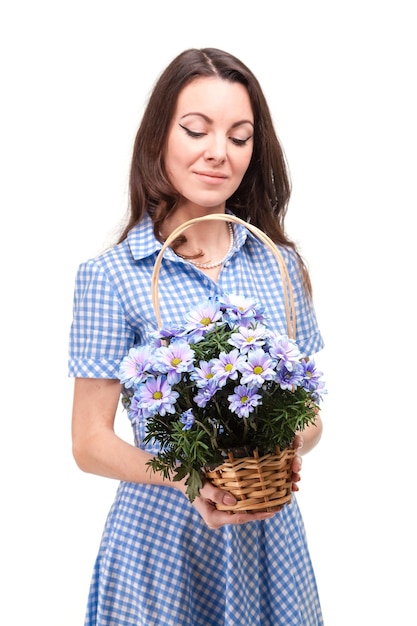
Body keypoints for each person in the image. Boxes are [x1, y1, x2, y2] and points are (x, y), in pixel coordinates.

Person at [69, 47, 325, 626]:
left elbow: (309, 416)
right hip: (160, 547)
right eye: (196, 129)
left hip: (268, 540)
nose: (219, 152)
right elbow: (88, 441)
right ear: (160, 135)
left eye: (240, 136)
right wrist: (193, 479)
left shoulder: (278, 265)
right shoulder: (111, 276)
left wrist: (285, 447)